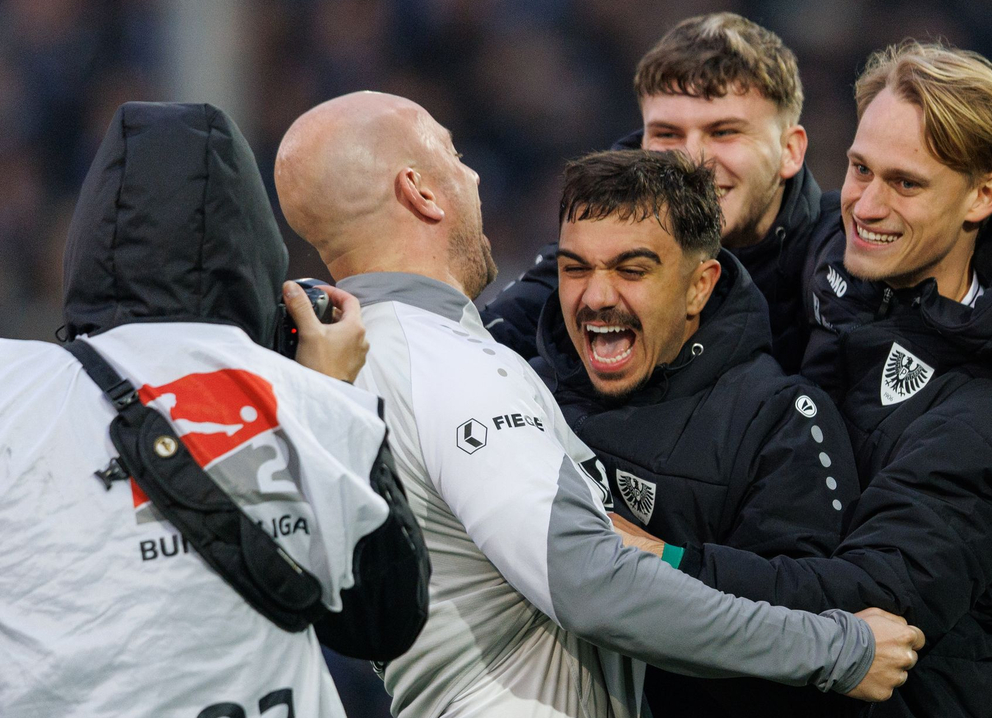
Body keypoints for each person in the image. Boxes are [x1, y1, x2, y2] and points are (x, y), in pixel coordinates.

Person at [274, 90, 925, 718]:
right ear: (419, 190)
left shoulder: (343, 370)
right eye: (454, 155)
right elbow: (591, 582)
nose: (473, 178)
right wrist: (836, 649)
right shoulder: (450, 367)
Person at [618, 42, 992, 718]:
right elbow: (713, 217)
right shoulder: (842, 258)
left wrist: (660, 560)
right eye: (859, 169)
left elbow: (869, 599)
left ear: (984, 194)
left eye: (905, 183)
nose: (866, 204)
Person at [481, 12, 992, 436]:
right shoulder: (592, 254)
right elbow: (480, 347)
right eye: (667, 133)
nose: (692, 159)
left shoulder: (853, 257)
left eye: (724, 131)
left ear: (791, 149)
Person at [0, 102, 429, 717]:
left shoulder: (14, 387)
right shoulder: (312, 403)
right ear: (256, 251)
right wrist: (335, 394)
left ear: (92, 243)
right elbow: (384, 624)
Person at [535, 148, 862, 717]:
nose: (596, 296)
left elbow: (812, 616)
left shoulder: (779, 422)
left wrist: (662, 560)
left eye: (631, 270)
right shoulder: (523, 393)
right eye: (575, 268)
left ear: (698, 286)